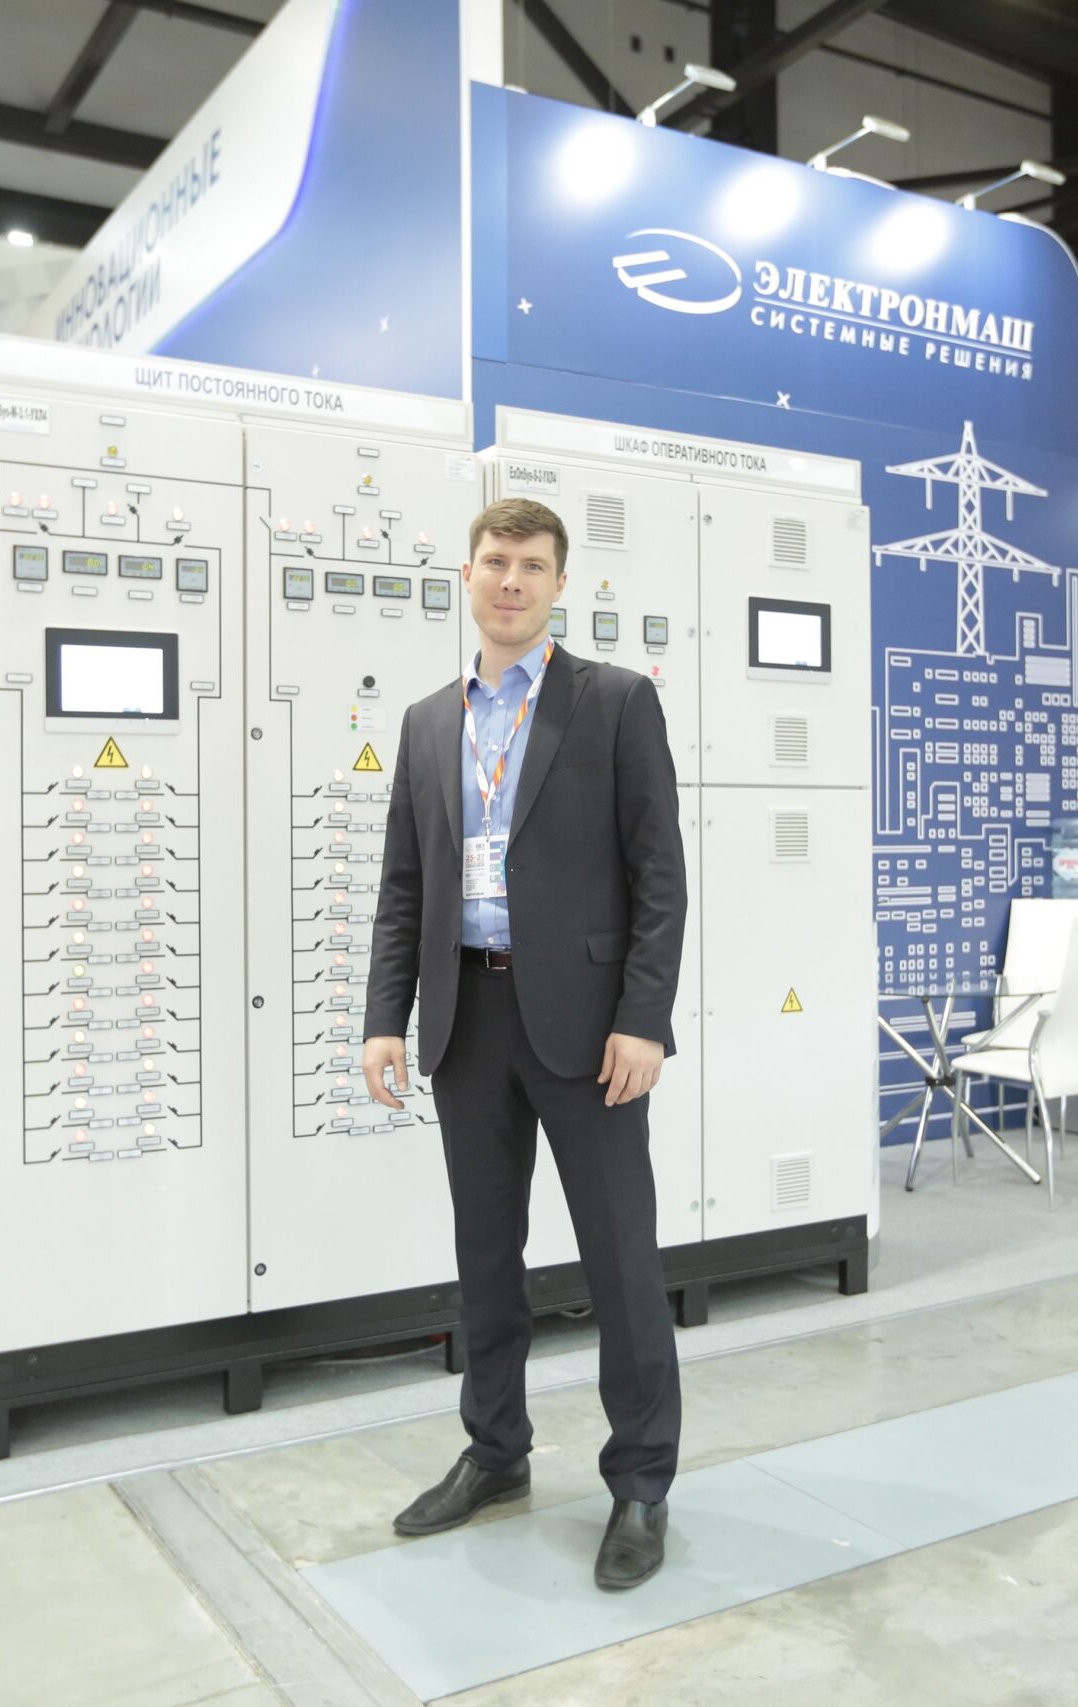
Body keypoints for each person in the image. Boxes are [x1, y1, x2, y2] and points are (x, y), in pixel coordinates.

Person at [364, 498, 688, 1592]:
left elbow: (659, 876)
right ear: (466, 574)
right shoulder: (427, 722)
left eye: (532, 565)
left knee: (620, 1260)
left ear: (559, 584)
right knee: (485, 1256)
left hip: (590, 1030)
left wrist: (643, 1017)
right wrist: (385, 1016)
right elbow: (402, 886)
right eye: (495, 561)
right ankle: (496, 1450)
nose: (511, 580)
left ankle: (640, 1482)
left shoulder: (615, 702)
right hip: (467, 1019)